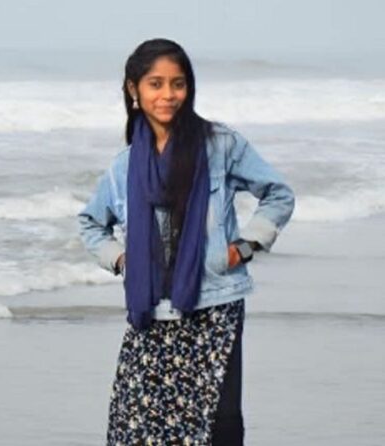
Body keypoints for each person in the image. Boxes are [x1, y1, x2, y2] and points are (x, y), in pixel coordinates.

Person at [77, 38, 295, 445]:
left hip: (215, 304)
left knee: (217, 424)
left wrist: (245, 247)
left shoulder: (221, 145)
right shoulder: (124, 166)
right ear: (134, 90)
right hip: (150, 312)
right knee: (136, 426)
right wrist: (124, 261)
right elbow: (91, 223)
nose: (168, 95)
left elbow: (278, 194)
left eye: (178, 84)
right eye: (155, 84)